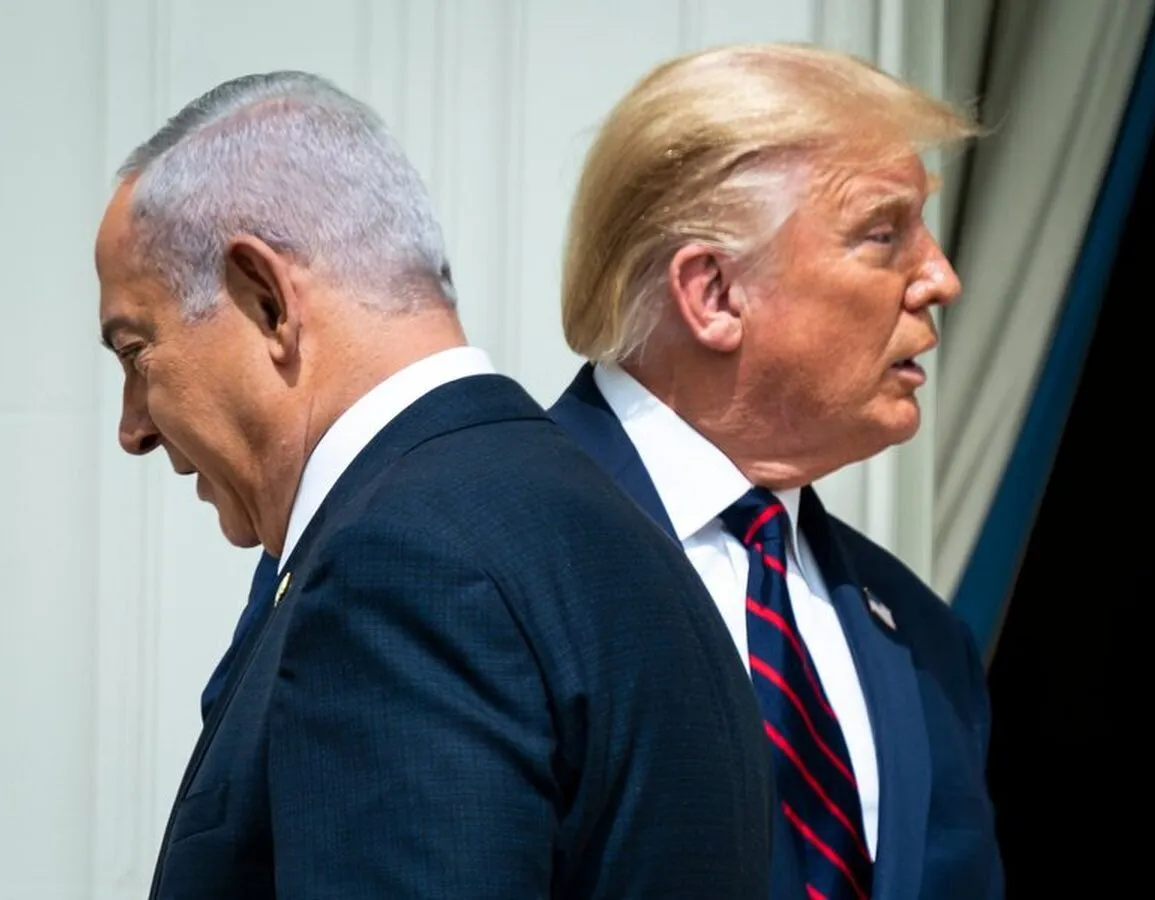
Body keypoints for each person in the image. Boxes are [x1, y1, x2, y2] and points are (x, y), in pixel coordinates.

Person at [96, 71, 771, 899]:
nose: (133, 427)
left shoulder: (400, 571)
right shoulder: (631, 543)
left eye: (136, 352)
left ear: (267, 300)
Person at [547, 45, 1003, 899]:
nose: (941, 278)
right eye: (883, 234)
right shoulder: (480, 557)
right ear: (714, 293)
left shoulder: (925, 639)